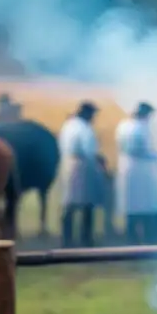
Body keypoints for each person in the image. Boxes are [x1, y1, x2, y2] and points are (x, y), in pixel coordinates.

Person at [114, 102, 157, 244]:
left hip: (126, 167)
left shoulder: (123, 126)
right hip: (141, 169)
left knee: (131, 206)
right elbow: (142, 150)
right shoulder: (141, 128)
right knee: (144, 205)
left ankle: (131, 238)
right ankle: (147, 238)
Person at [58, 101, 103, 248]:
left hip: (67, 164)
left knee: (69, 203)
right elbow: (89, 150)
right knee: (86, 204)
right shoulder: (84, 128)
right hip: (82, 166)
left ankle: (67, 238)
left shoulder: (68, 125)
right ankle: (86, 238)